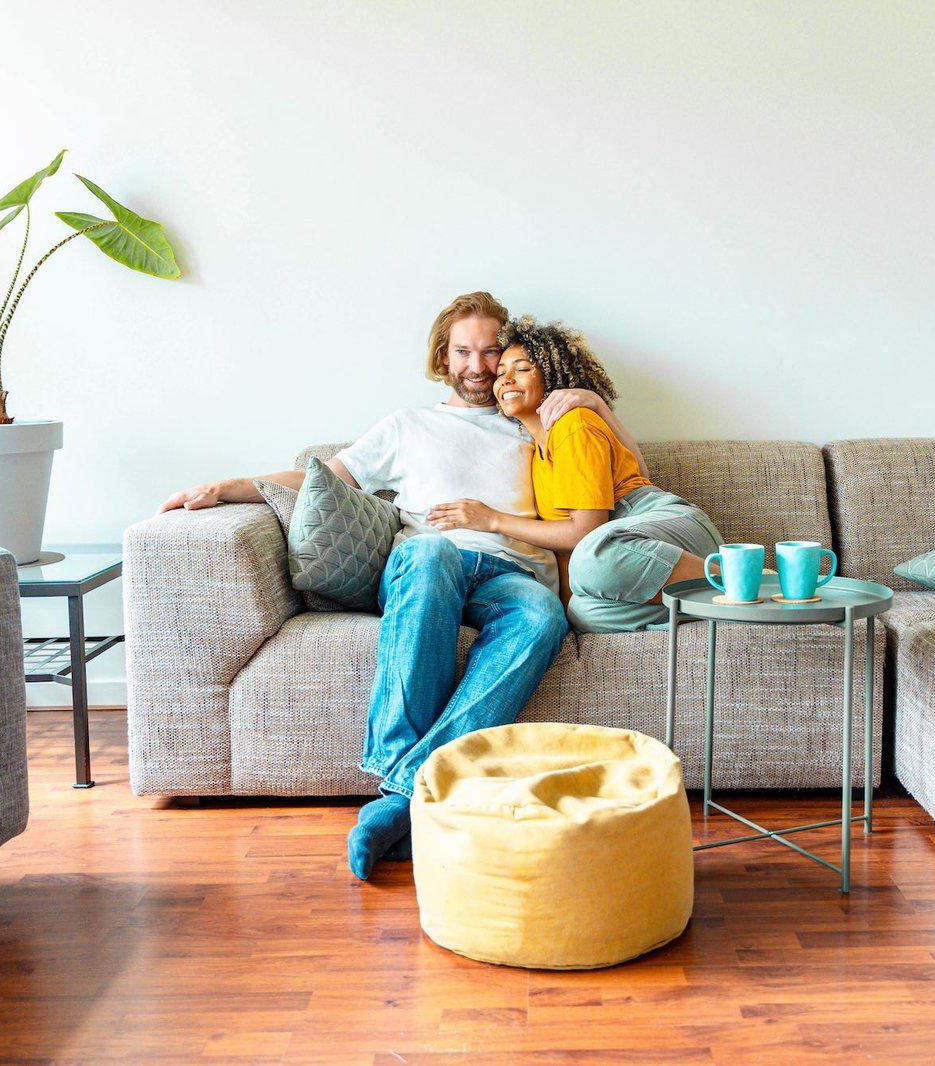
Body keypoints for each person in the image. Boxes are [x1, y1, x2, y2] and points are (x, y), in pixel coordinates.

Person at [159, 293, 645, 880]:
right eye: (464, 351)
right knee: (432, 549)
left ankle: (400, 794)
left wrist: (593, 401)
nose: (479, 366)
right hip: (427, 564)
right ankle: (410, 787)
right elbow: (320, 480)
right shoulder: (409, 425)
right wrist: (229, 486)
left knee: (543, 616)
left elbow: (629, 473)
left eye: (493, 351)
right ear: (444, 357)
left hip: (512, 576)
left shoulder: (540, 422)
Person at [428, 317, 723, 633]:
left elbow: (584, 534)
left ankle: (740, 580)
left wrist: (492, 520)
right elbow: (569, 551)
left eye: (522, 369)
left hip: (668, 530)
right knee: (582, 612)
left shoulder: (573, 424)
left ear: (551, 378)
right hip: (622, 554)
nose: (506, 379)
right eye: (501, 373)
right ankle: (714, 604)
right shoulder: (535, 453)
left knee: (593, 556)